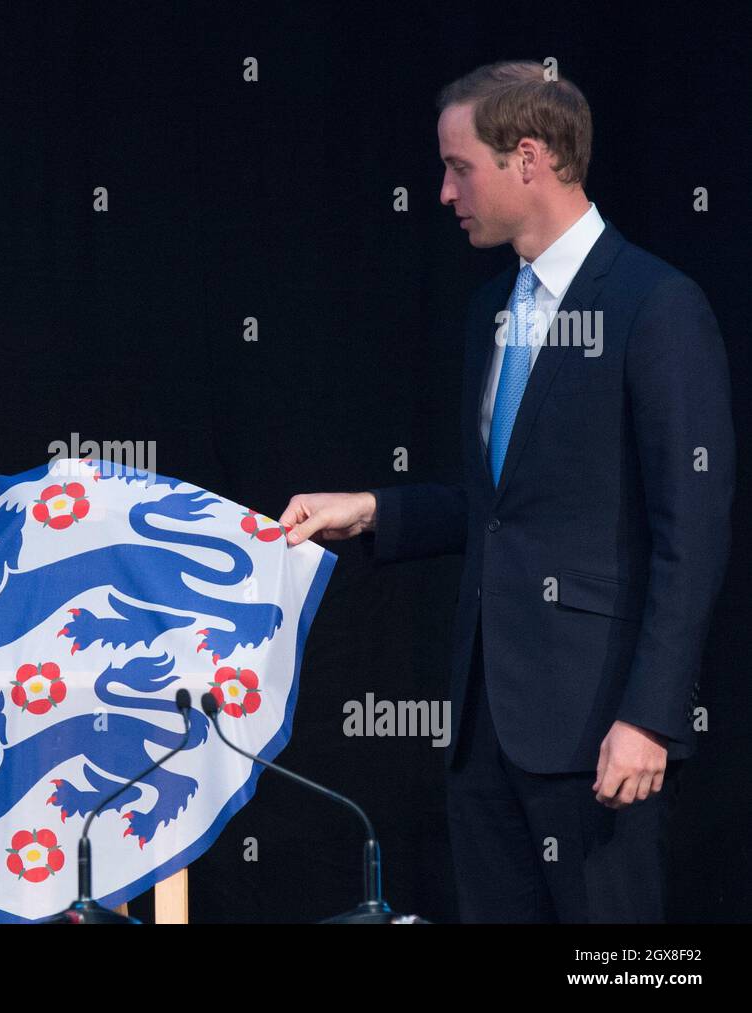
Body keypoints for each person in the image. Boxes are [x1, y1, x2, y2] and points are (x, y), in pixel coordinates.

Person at [279, 62, 734, 922]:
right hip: (487, 730)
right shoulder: (493, 308)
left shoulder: (656, 306)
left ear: (528, 158)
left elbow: (694, 528)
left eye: (459, 167)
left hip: (601, 728)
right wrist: (371, 509)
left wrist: (651, 718)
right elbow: (505, 506)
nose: (444, 191)